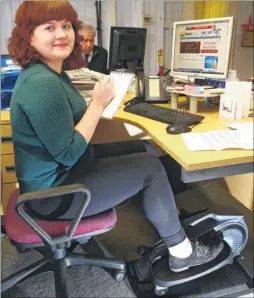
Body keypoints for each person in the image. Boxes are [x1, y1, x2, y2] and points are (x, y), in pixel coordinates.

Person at [8, 0, 223, 273]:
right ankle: (181, 252)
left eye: (66, 25)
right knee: (150, 168)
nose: (62, 34)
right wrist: (98, 104)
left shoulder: (50, 73)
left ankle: (167, 219)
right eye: (49, 27)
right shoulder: (41, 84)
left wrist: (98, 104)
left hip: (58, 177)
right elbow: (69, 151)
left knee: (141, 148)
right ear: (29, 36)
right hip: (52, 196)